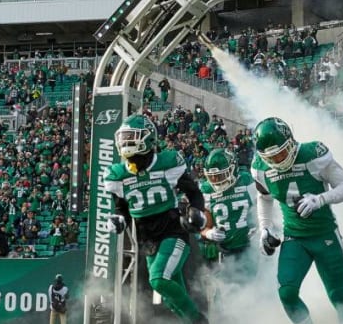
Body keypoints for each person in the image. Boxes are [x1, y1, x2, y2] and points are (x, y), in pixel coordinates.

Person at [104, 114, 209, 323]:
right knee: (171, 298)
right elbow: (121, 208)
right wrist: (118, 219)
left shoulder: (167, 163)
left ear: (148, 139)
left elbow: (194, 192)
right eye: (124, 138)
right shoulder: (118, 174)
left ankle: (199, 320)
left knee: (159, 280)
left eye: (132, 137)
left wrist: (196, 210)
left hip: (172, 231)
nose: (126, 143)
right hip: (147, 238)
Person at [250, 117, 343, 324]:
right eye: (271, 157)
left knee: (340, 298)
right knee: (287, 293)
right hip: (295, 238)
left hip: (325, 235)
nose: (278, 160)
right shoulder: (261, 168)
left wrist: (320, 199)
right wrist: (265, 228)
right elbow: (264, 197)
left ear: (290, 142)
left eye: (281, 153)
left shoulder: (312, 154)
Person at [200, 148, 258, 319]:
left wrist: (261, 226)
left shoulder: (246, 181)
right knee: (226, 296)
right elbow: (204, 226)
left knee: (252, 292)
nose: (217, 181)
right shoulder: (207, 189)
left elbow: (268, 207)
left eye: (221, 175)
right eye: (212, 177)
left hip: (252, 248)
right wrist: (209, 233)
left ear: (233, 169)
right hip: (226, 252)